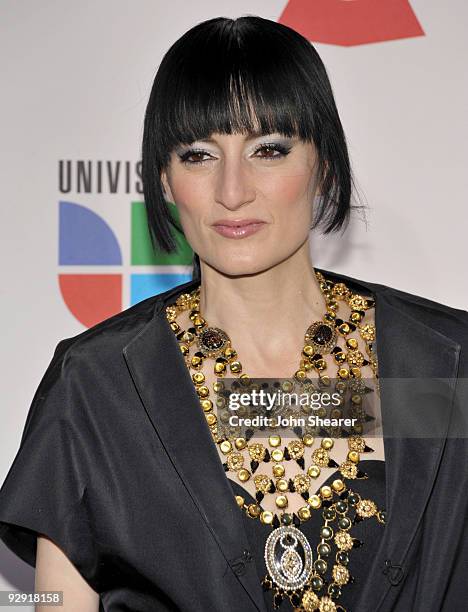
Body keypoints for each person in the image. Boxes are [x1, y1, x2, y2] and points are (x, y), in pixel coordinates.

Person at [0, 14, 467, 612]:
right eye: (198, 155)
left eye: (269, 149)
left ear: (322, 162)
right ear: (165, 180)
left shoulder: (438, 366)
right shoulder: (98, 388)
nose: (232, 190)